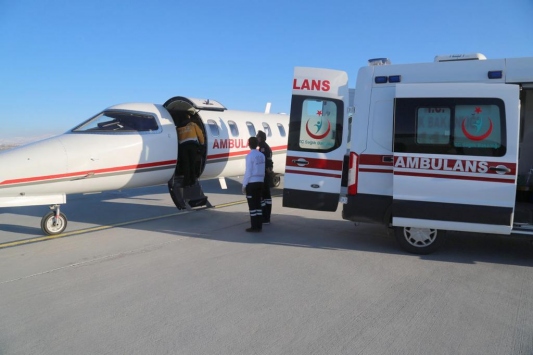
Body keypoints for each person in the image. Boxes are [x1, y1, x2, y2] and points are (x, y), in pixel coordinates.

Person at [242, 137, 265, 232]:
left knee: (252, 207)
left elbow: (248, 172)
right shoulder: (261, 155)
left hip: (252, 183)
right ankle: (259, 225)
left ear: (249, 144)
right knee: (258, 205)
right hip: (260, 182)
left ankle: (254, 226)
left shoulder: (250, 156)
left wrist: (244, 185)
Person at [177, 111, 205, 187]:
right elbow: (200, 134)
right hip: (192, 146)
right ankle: (193, 180)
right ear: (188, 117)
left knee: (186, 164)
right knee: (192, 163)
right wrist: (202, 144)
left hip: (183, 147)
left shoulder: (178, 127)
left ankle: (186, 182)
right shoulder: (193, 125)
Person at [256, 130, 273, 224]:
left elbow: (264, 161)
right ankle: (267, 216)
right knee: (267, 197)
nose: (256, 138)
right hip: (267, 173)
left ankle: (265, 217)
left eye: (257, 136)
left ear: (260, 138)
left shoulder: (262, 148)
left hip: (264, 174)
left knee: (263, 196)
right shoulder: (266, 146)